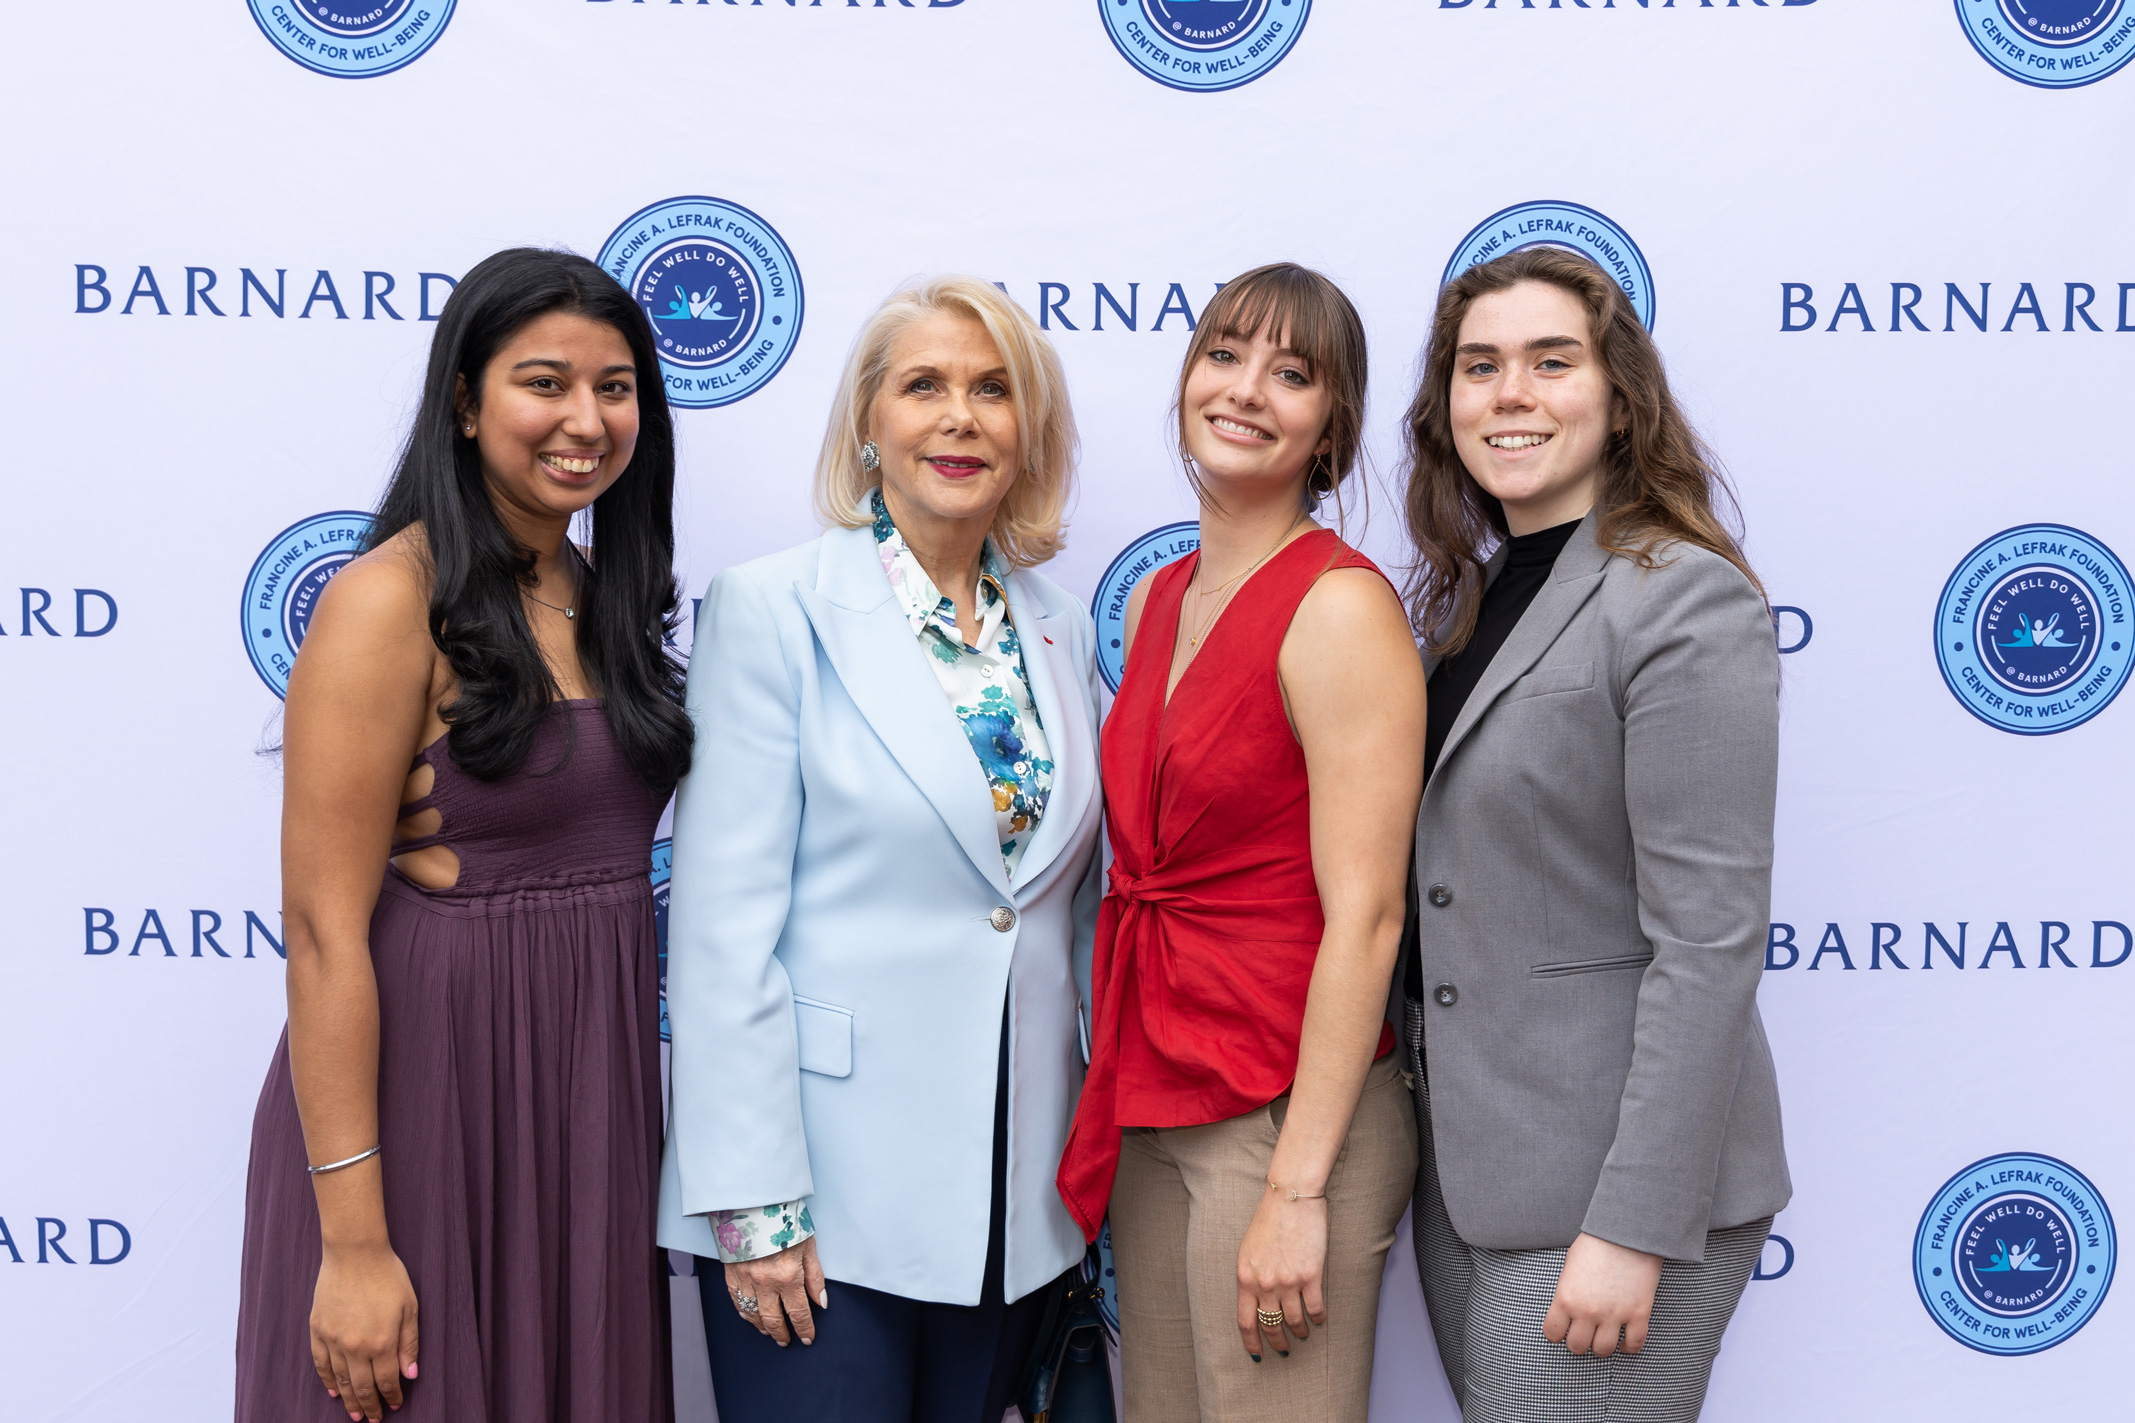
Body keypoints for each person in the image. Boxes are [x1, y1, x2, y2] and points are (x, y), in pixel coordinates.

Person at [234, 248, 693, 1422]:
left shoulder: (602, 594)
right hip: (427, 1104)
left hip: (585, 1105)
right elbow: (323, 932)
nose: (585, 420)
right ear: (464, 399)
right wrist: (352, 1243)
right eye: (544, 382)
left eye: (616, 385)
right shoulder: (389, 599)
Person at [658, 276, 1105, 1423]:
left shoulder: (1056, 630)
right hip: (815, 1203)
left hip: (1012, 1207)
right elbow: (719, 931)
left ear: (1029, 431)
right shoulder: (773, 609)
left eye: (992, 389)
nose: (959, 416)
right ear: (868, 422)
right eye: (924, 385)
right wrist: (752, 1203)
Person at [1395, 244, 1791, 1421]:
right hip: (1471, 1181)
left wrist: (1631, 1221)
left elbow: (1708, 941)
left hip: (1611, 1196)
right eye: (1478, 367)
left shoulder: (1682, 594)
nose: (1508, 393)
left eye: (1548, 361)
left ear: (1619, 397)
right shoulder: (1463, 605)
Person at [1056, 263, 1425, 1422]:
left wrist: (1297, 1185)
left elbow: (1366, 914)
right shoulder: (1158, 597)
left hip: (1280, 1109)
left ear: (1331, 427)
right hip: (1160, 1079)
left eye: (1292, 372)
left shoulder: (1338, 606)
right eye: (1223, 354)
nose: (1246, 389)